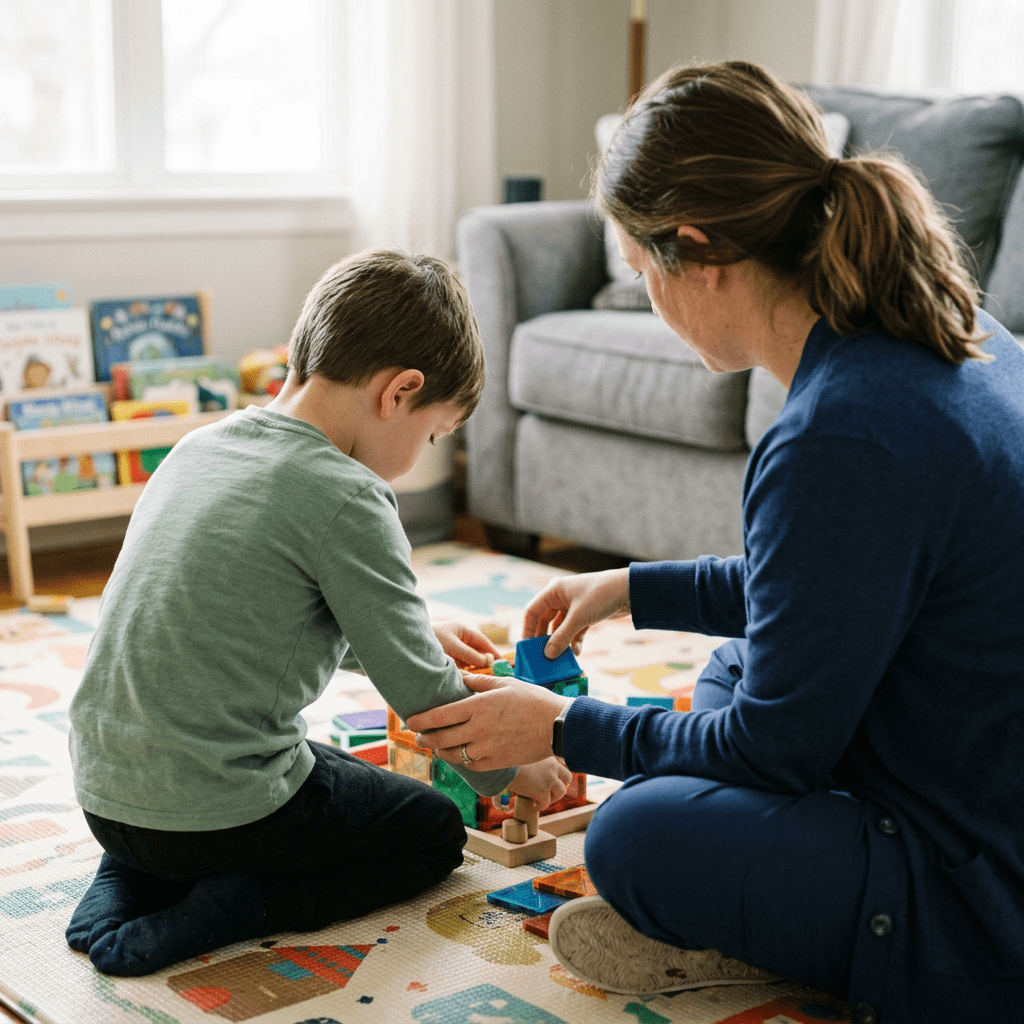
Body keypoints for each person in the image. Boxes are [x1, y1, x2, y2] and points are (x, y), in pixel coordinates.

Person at [407, 61, 1024, 1022]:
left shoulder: (840, 435)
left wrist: (564, 728)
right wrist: (630, 589)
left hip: (967, 883)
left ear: (697, 249)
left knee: (634, 836)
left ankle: (792, 945)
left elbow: (772, 749)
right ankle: (771, 882)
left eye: (644, 267)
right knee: (746, 654)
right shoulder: (949, 329)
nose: (651, 293)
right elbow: (833, 583)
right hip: (957, 753)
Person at [66, 250, 570, 977]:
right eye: (432, 436)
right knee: (430, 830)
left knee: (319, 758)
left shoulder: (199, 446)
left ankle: (129, 876)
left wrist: (415, 633)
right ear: (400, 391)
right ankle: (242, 906)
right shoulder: (348, 494)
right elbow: (427, 702)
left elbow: (250, 617)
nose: (418, 458)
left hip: (107, 796)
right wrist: (513, 770)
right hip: (213, 818)